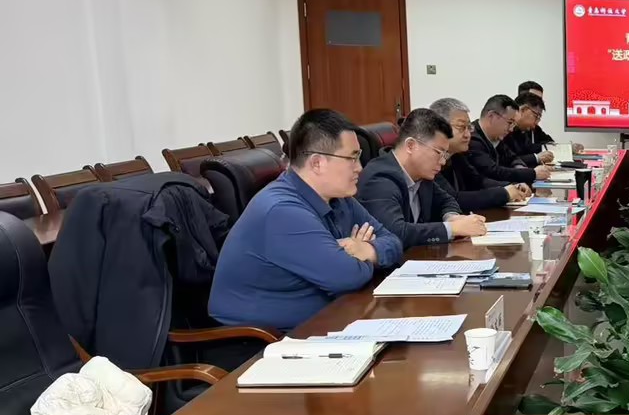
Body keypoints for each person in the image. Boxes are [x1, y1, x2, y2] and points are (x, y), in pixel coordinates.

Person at [209, 109, 402, 332]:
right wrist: (363, 261)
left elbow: (394, 242)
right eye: (352, 157)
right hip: (262, 341)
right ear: (317, 163)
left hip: (328, 322)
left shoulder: (340, 198)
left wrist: (367, 250)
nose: (360, 167)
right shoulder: (281, 210)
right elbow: (346, 277)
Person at [357, 108, 489, 247]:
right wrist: (452, 229)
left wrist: (452, 217)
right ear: (411, 145)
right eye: (438, 152)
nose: (443, 161)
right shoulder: (379, 179)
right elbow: (395, 232)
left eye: (445, 154)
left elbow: (447, 200)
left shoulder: (421, 174)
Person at [430, 98, 529, 212]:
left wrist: (512, 186)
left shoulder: (457, 155)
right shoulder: (430, 160)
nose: (468, 135)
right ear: (439, 128)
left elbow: (477, 181)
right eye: (461, 127)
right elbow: (453, 199)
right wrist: (504, 193)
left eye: (469, 127)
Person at [468, 94, 552, 185]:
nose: (511, 129)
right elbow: (493, 171)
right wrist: (532, 173)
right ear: (491, 116)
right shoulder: (472, 139)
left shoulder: (496, 137)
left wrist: (520, 168)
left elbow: (512, 157)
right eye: (510, 122)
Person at [501, 91, 555, 167]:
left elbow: (528, 150)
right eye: (536, 116)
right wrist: (536, 158)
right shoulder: (503, 129)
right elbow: (505, 161)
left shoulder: (523, 131)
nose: (536, 123)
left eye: (539, 118)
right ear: (523, 110)